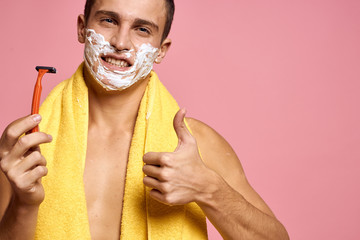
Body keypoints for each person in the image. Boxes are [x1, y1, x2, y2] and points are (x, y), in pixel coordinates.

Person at [0, 0, 289, 239]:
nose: (121, 42)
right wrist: (24, 205)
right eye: (109, 21)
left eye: (141, 29)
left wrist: (208, 189)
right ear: (81, 28)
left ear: (161, 50)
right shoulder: (28, 142)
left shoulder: (196, 145)